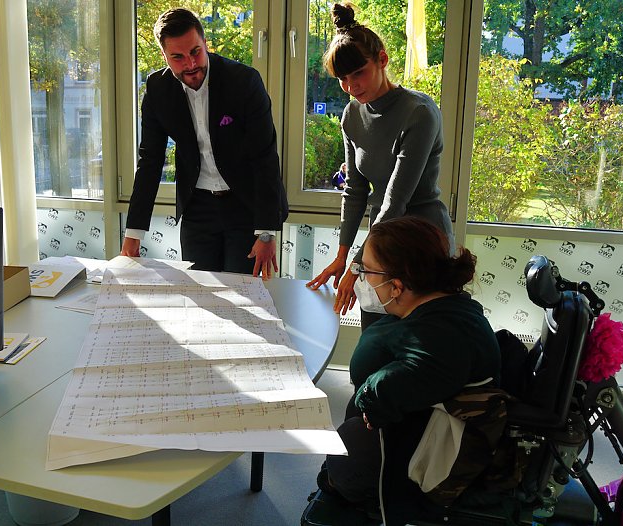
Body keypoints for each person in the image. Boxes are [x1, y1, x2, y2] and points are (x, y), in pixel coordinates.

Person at [317, 216, 501, 523]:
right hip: (409, 429)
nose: (360, 277)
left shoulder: (439, 338)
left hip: (414, 455)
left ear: (397, 285)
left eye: (365, 270)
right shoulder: (447, 305)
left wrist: (366, 392)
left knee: (336, 471)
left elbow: (395, 387)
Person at [306, 3, 454, 329]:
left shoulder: (419, 112)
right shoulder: (351, 115)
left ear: (382, 60)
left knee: (420, 344)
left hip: (423, 239)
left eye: (358, 73)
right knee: (374, 342)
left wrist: (358, 265)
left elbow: (395, 200)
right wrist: (342, 257)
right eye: (342, 78)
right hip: (380, 243)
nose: (350, 86)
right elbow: (355, 191)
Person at [121, 8, 288, 279]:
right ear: (164, 56)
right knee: (199, 295)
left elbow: (265, 157)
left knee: (243, 293)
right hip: (197, 208)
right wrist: (133, 234)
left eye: (195, 52)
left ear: (205, 43)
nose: (190, 64)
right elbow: (149, 162)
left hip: (245, 205)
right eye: (177, 57)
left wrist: (266, 232)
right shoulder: (157, 89)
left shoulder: (244, 82)